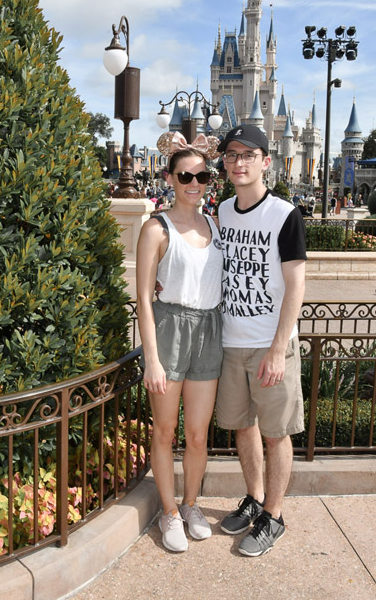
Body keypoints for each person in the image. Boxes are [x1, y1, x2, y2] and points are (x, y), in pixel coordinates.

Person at [215, 124, 306, 557]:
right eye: (232, 155)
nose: (239, 162)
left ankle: (275, 515)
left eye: (248, 154)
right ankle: (254, 499)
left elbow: (296, 286)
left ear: (266, 161)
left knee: (276, 435)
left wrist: (277, 348)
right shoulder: (223, 211)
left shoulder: (285, 214)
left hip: (271, 345)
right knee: (244, 428)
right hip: (232, 342)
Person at [136, 131, 223, 553]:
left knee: (198, 433)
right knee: (166, 430)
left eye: (202, 176)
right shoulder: (157, 228)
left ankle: (191, 504)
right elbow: (143, 298)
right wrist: (152, 358)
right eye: (185, 176)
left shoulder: (217, 226)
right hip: (170, 329)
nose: (194, 184)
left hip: (209, 330)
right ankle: (169, 512)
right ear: (169, 178)